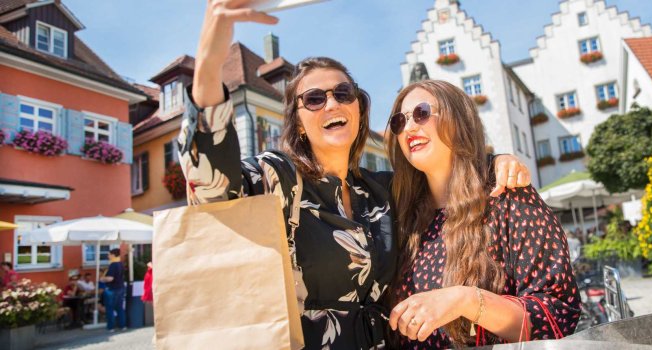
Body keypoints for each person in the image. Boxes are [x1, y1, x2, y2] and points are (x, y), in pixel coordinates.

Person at [180, 2, 531, 348]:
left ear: (359, 111)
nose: (331, 104)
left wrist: (495, 162)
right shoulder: (280, 177)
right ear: (299, 124)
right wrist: (210, 57)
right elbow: (212, 188)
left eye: (343, 94)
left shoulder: (383, 190)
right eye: (314, 99)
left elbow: (446, 175)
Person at [386, 80, 581, 348]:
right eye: (399, 121)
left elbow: (557, 317)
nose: (408, 127)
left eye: (421, 112)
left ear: (459, 119)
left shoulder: (508, 198)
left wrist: (465, 300)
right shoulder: (398, 212)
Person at [101, 248, 126, 332]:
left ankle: (111, 327)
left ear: (113, 255)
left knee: (110, 309)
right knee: (119, 308)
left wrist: (102, 279)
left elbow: (110, 278)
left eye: (109, 254)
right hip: (120, 287)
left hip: (112, 289)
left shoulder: (113, 265)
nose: (108, 256)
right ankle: (122, 326)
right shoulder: (120, 264)